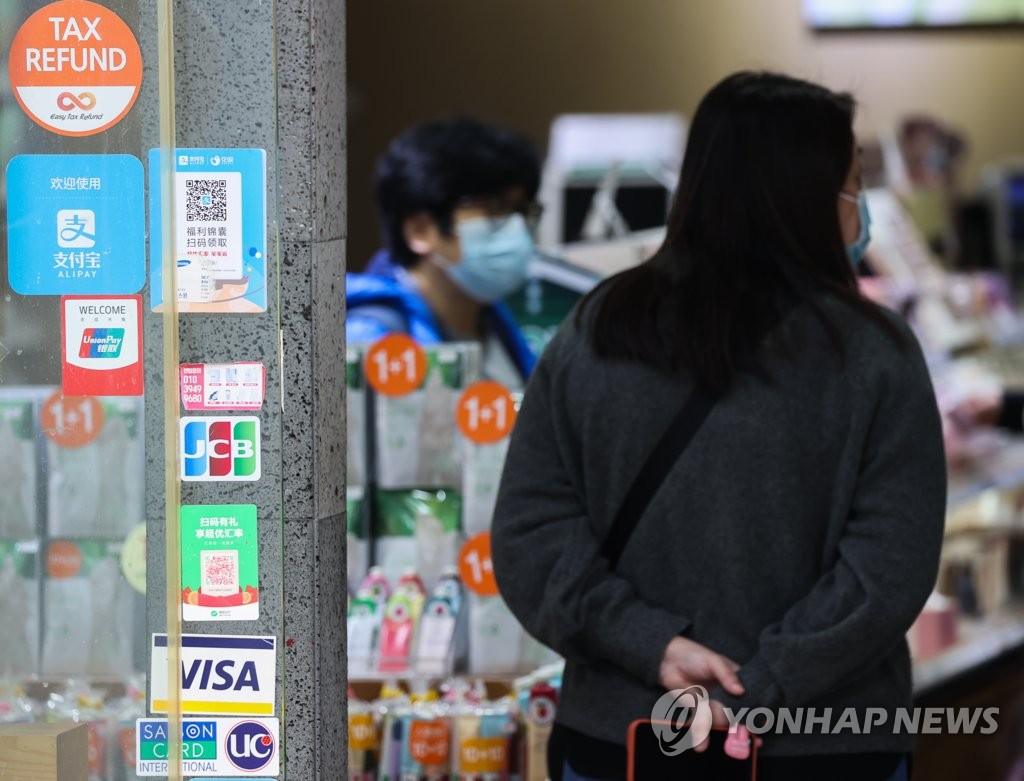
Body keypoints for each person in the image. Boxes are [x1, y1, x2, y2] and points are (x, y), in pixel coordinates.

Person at [491, 72, 946, 781]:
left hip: (624, 735)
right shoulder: (873, 351)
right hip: (827, 744)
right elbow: (889, 566)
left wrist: (653, 644)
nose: (861, 210)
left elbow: (532, 533)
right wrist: (761, 684)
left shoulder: (596, 328)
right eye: (853, 185)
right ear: (806, 198)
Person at [346, 117, 542, 388]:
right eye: (494, 210)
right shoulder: (372, 341)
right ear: (421, 230)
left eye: (522, 210)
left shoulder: (499, 326)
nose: (517, 228)